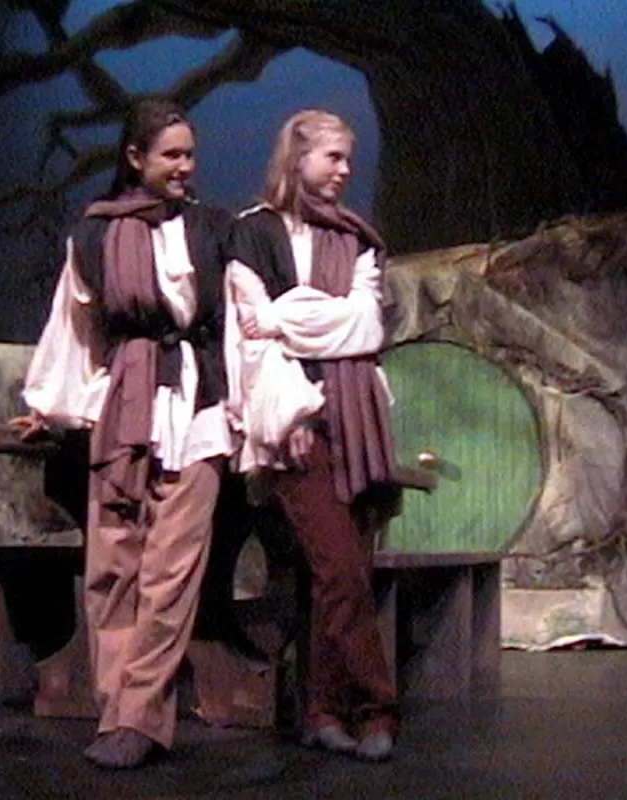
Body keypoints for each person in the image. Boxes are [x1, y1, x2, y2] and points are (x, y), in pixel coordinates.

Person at [13, 99, 235, 770]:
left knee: (170, 573)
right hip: (124, 408)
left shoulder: (213, 229)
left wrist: (251, 411)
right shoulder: (95, 233)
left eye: (190, 154)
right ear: (135, 158)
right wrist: (50, 405)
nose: (184, 166)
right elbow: (74, 325)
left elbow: (239, 325)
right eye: (171, 154)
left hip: (196, 407)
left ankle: (138, 718)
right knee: (113, 567)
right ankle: (116, 713)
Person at [223, 109, 400, 762]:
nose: (345, 170)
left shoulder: (358, 240)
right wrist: (288, 416)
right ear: (297, 159)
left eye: (349, 158)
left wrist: (287, 315)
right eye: (333, 157)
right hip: (299, 421)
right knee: (339, 570)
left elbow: (365, 327)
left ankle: (323, 710)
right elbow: (249, 339)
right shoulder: (254, 233)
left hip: (359, 419)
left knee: (342, 575)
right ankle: (378, 707)